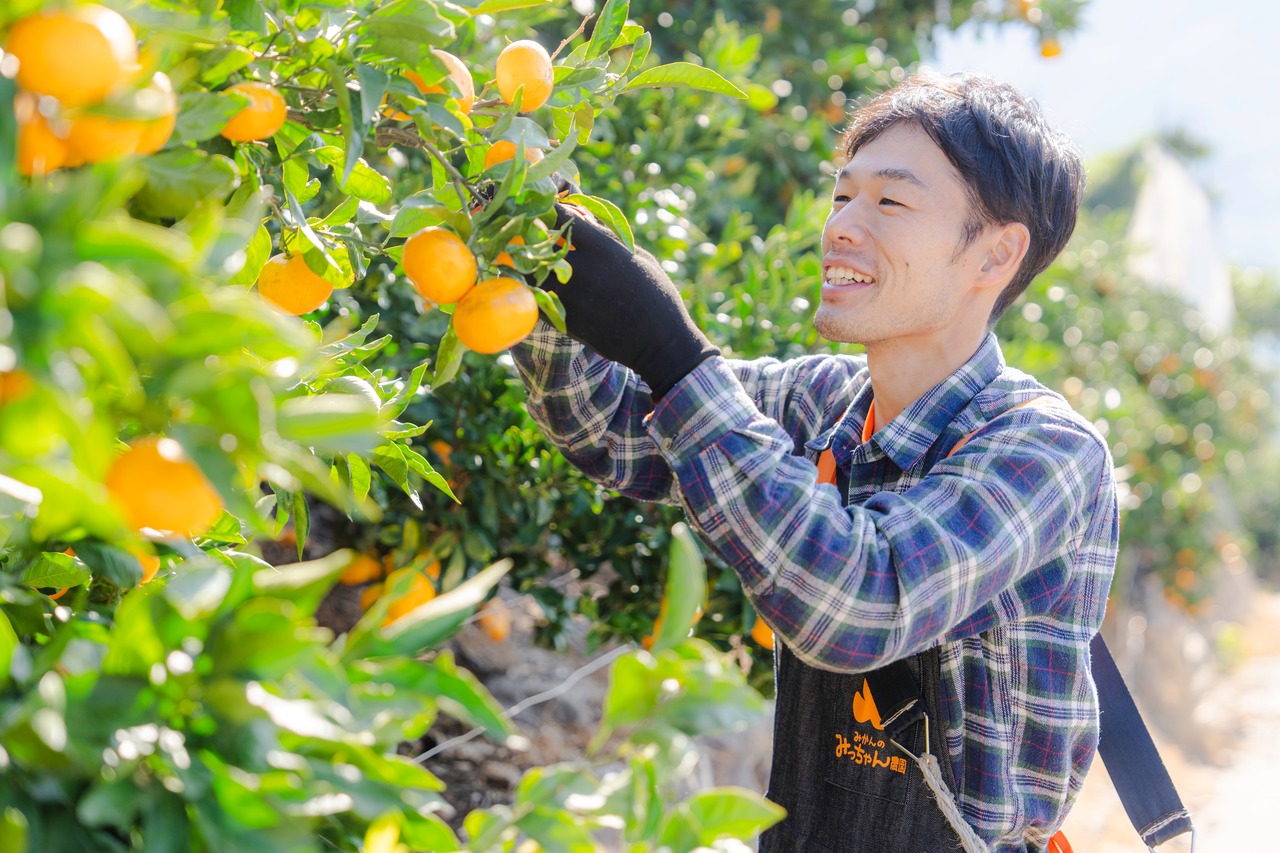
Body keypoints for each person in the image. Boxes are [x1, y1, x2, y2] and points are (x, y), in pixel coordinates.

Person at [509, 71, 1118, 853]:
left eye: (889, 202)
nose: (840, 227)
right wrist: (535, 262)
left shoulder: (1044, 452)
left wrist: (675, 355)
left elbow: (859, 602)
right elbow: (614, 432)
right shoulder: (822, 402)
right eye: (842, 197)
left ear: (995, 254)